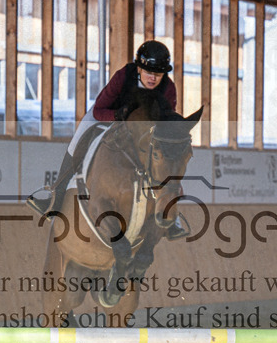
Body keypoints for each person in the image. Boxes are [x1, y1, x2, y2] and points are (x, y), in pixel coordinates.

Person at [28, 40, 177, 216]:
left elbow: (165, 125)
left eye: (158, 74)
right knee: (78, 139)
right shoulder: (123, 76)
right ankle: (55, 197)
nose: (153, 78)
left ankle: (173, 216)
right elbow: (99, 110)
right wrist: (118, 116)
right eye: (148, 72)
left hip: (142, 129)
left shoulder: (169, 89)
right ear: (139, 69)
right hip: (110, 115)